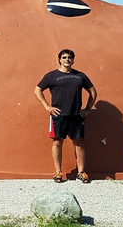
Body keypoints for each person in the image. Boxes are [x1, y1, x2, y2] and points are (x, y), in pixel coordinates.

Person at [34, 49, 98, 183]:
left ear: (73, 60)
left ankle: (81, 172)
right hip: (58, 115)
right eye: (64, 57)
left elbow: (92, 91)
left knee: (79, 142)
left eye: (69, 57)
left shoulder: (81, 76)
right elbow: (37, 90)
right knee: (57, 142)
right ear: (60, 60)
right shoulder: (51, 76)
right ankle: (58, 172)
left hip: (76, 115)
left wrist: (87, 108)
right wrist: (47, 107)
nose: (67, 59)